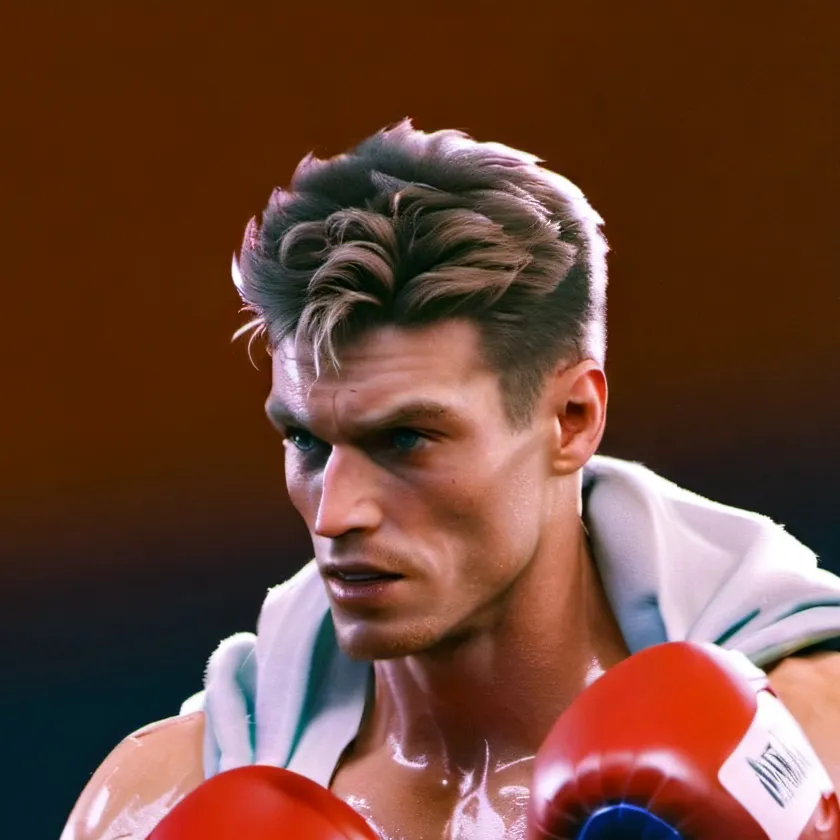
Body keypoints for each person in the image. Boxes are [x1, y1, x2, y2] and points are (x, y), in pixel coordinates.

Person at [62, 120, 840, 840]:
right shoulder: (154, 803)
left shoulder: (813, 742)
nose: (335, 515)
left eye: (406, 440)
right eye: (306, 441)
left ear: (572, 418)